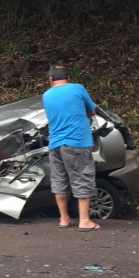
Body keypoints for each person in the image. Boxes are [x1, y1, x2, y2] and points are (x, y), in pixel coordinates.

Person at [42, 65, 101, 232]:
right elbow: (92, 111)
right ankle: (84, 221)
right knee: (81, 177)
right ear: (68, 77)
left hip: (55, 144)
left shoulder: (46, 95)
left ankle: (64, 218)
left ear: (50, 79)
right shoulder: (78, 88)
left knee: (60, 180)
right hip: (76, 141)